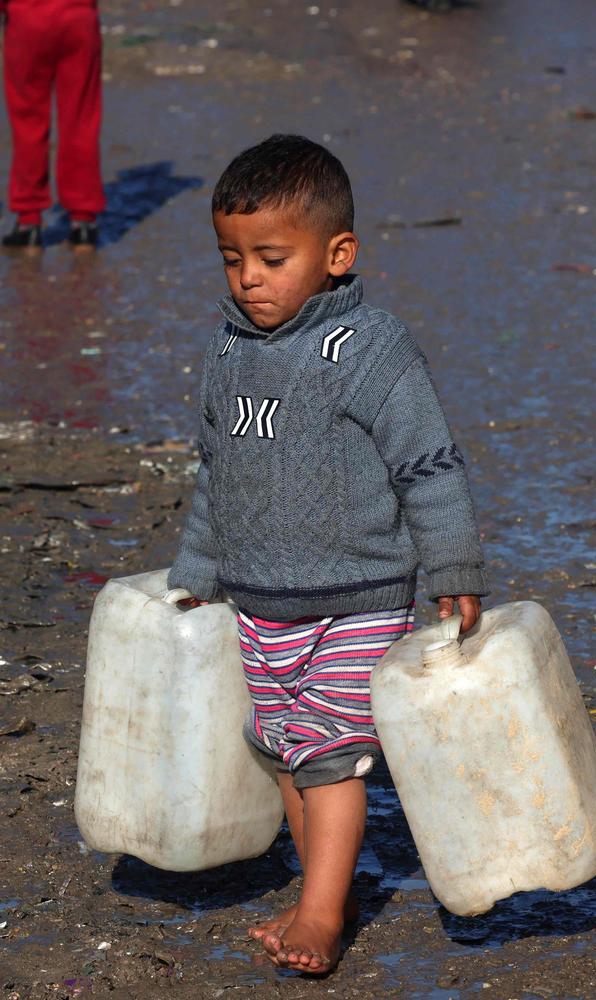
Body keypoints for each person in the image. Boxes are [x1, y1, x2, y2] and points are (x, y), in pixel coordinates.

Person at [168, 134, 489, 975]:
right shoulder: (228, 351)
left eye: (272, 258)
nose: (249, 279)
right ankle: (327, 892)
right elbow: (219, 475)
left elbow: (429, 464)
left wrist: (452, 569)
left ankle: (318, 916)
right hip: (260, 599)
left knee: (328, 753)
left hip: (359, 595)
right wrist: (198, 572)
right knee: (281, 745)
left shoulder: (371, 351)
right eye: (232, 259)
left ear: (338, 253)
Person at [0, 0, 105, 250]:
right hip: (78, 17)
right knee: (81, 121)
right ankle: (83, 223)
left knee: (28, 123)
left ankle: (29, 222)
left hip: (28, 19)